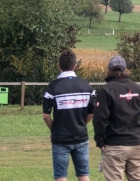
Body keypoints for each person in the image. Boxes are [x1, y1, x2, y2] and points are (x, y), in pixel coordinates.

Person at [93, 55, 140, 181]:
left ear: (108, 70)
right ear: (125, 70)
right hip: (137, 143)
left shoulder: (106, 90)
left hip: (115, 144)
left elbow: (100, 119)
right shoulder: (139, 89)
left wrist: (100, 141)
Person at [43, 49, 96, 181]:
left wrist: (54, 129)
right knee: (84, 174)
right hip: (81, 137)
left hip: (60, 137)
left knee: (61, 176)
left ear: (58, 65)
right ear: (75, 65)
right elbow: (92, 113)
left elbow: (45, 116)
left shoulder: (53, 87)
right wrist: (82, 124)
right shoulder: (87, 87)